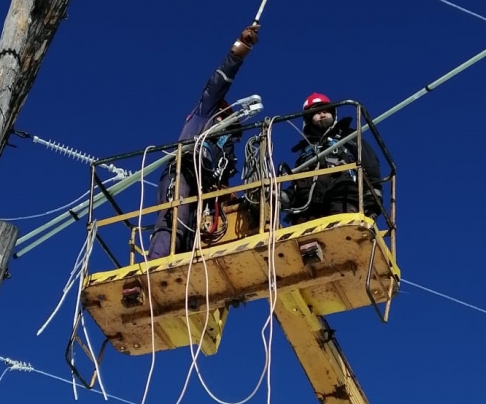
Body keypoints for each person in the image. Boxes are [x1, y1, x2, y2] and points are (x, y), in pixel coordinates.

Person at [146, 25, 260, 260]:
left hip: (206, 187)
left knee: (197, 230)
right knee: (174, 216)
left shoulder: (226, 149)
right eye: (225, 114)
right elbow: (219, 83)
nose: (227, 119)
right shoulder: (204, 114)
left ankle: (188, 265)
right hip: (184, 168)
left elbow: (224, 181)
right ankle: (157, 261)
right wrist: (240, 50)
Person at [283, 92, 383, 221]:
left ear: (333, 114)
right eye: (317, 112)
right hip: (307, 206)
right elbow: (297, 184)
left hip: (342, 194)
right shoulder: (305, 152)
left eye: (326, 111)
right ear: (308, 119)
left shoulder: (349, 138)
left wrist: (373, 197)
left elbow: (370, 164)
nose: (323, 114)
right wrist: (281, 197)